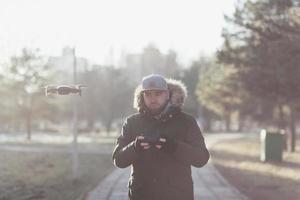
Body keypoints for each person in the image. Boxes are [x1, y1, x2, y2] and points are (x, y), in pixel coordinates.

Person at [112, 74, 210, 200]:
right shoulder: (132, 122)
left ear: (168, 94)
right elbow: (118, 160)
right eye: (148, 94)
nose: (153, 98)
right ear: (142, 96)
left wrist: (174, 147)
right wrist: (135, 147)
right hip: (142, 195)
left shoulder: (186, 122)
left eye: (158, 93)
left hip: (177, 195)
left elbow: (201, 158)